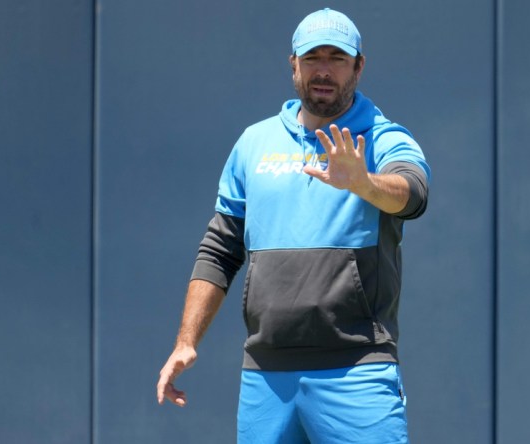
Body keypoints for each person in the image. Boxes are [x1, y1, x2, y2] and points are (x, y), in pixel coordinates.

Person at [157, 8, 430, 443]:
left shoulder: (382, 138)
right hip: (266, 377)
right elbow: (220, 250)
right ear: (293, 65)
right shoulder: (254, 143)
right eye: (312, 58)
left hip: (355, 371)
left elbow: (412, 194)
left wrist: (364, 182)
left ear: (359, 66)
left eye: (337, 58)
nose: (324, 71)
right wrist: (186, 341)